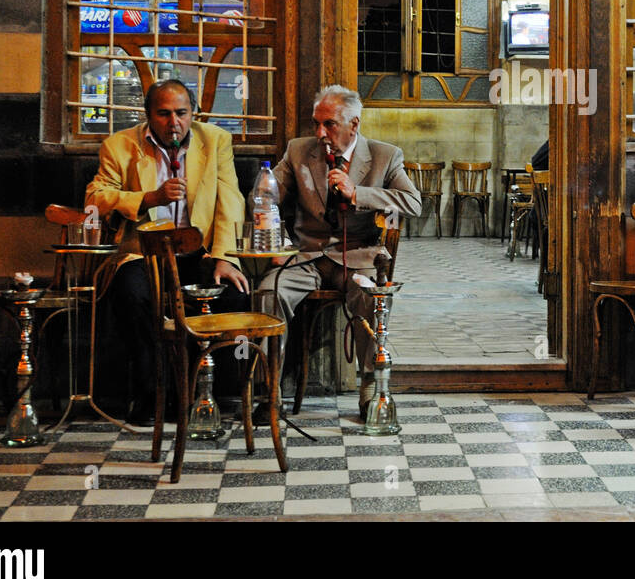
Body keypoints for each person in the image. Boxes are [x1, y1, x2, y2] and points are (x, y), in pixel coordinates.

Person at [86, 79, 249, 425]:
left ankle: (219, 394)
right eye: (163, 114)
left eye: (181, 113)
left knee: (234, 293)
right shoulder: (119, 145)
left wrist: (225, 257)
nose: (173, 122)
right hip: (145, 254)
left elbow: (230, 200)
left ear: (193, 114)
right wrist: (149, 199)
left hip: (200, 251)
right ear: (148, 116)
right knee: (132, 295)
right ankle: (154, 396)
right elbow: (95, 198)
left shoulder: (216, 140)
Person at [255, 85, 422, 417]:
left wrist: (358, 192)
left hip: (357, 258)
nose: (320, 133)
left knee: (371, 297)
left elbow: (413, 203)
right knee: (268, 292)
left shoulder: (384, 156)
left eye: (329, 124)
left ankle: (372, 389)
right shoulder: (299, 151)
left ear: (354, 125)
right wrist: (274, 236)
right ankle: (268, 390)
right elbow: (264, 194)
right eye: (317, 124)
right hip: (306, 257)